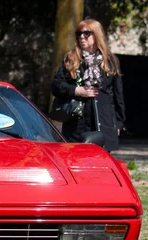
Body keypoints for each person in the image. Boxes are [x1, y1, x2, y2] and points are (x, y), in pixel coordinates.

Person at [51, 18, 126, 151]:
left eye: (86, 33)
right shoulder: (71, 58)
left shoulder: (110, 61)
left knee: (100, 164)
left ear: (96, 35)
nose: (82, 37)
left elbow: (117, 95)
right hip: (76, 124)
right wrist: (77, 91)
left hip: (103, 122)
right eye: (79, 34)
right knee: (74, 161)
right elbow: (56, 86)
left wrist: (119, 123)